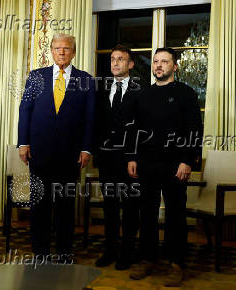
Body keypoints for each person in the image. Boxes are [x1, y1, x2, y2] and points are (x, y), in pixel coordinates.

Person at [126, 48, 203, 286]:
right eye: (156, 61)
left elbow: (195, 131)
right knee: (147, 214)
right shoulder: (143, 95)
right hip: (147, 164)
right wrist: (132, 157)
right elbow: (134, 129)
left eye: (164, 61)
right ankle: (148, 259)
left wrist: (188, 161)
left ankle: (176, 264)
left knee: (175, 216)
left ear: (175, 66)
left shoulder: (186, 93)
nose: (159, 65)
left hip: (176, 165)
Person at [18, 33, 95, 262]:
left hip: (70, 156)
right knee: (39, 206)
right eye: (57, 48)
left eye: (67, 48)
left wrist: (86, 148)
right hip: (39, 153)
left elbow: (91, 118)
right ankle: (40, 252)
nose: (61, 52)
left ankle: (64, 252)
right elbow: (25, 111)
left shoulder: (86, 80)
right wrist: (23, 143)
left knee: (65, 207)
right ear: (51, 51)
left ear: (74, 52)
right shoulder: (36, 77)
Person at [94, 44, 141, 270]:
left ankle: (128, 253)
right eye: (113, 59)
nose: (115, 63)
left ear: (130, 64)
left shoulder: (141, 90)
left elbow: (143, 127)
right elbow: (96, 123)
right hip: (106, 159)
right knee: (110, 207)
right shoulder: (102, 89)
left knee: (130, 208)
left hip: (130, 160)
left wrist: (134, 156)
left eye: (121, 59)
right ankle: (110, 251)